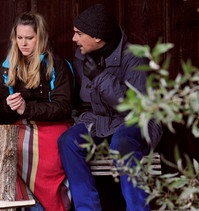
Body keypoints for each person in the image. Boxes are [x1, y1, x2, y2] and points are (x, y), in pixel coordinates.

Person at [58, 4, 163, 211]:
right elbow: (86, 100)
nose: (74, 39)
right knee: (68, 141)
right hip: (101, 122)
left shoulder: (133, 58)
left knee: (122, 142)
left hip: (136, 122)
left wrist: (100, 77)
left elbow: (137, 108)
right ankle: (87, 208)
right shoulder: (82, 57)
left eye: (79, 33)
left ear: (97, 37)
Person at [0, 12, 74, 211]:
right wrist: (9, 105)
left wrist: (26, 108)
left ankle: (50, 205)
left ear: (41, 37)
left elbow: (63, 107)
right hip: (21, 125)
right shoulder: (7, 66)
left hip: (52, 125)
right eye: (19, 38)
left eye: (29, 38)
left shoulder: (55, 64)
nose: (23, 43)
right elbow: (2, 111)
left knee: (47, 159)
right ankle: (30, 205)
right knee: (6, 153)